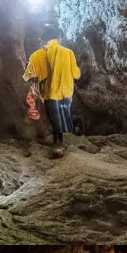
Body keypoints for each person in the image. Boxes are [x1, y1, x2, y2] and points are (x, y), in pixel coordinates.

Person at [23, 28, 81, 158]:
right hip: (66, 93)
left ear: (44, 39)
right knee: (66, 116)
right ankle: (69, 141)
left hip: (50, 94)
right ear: (58, 37)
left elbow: (28, 76)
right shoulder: (69, 53)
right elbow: (77, 74)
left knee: (55, 121)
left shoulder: (37, 55)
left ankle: (59, 144)